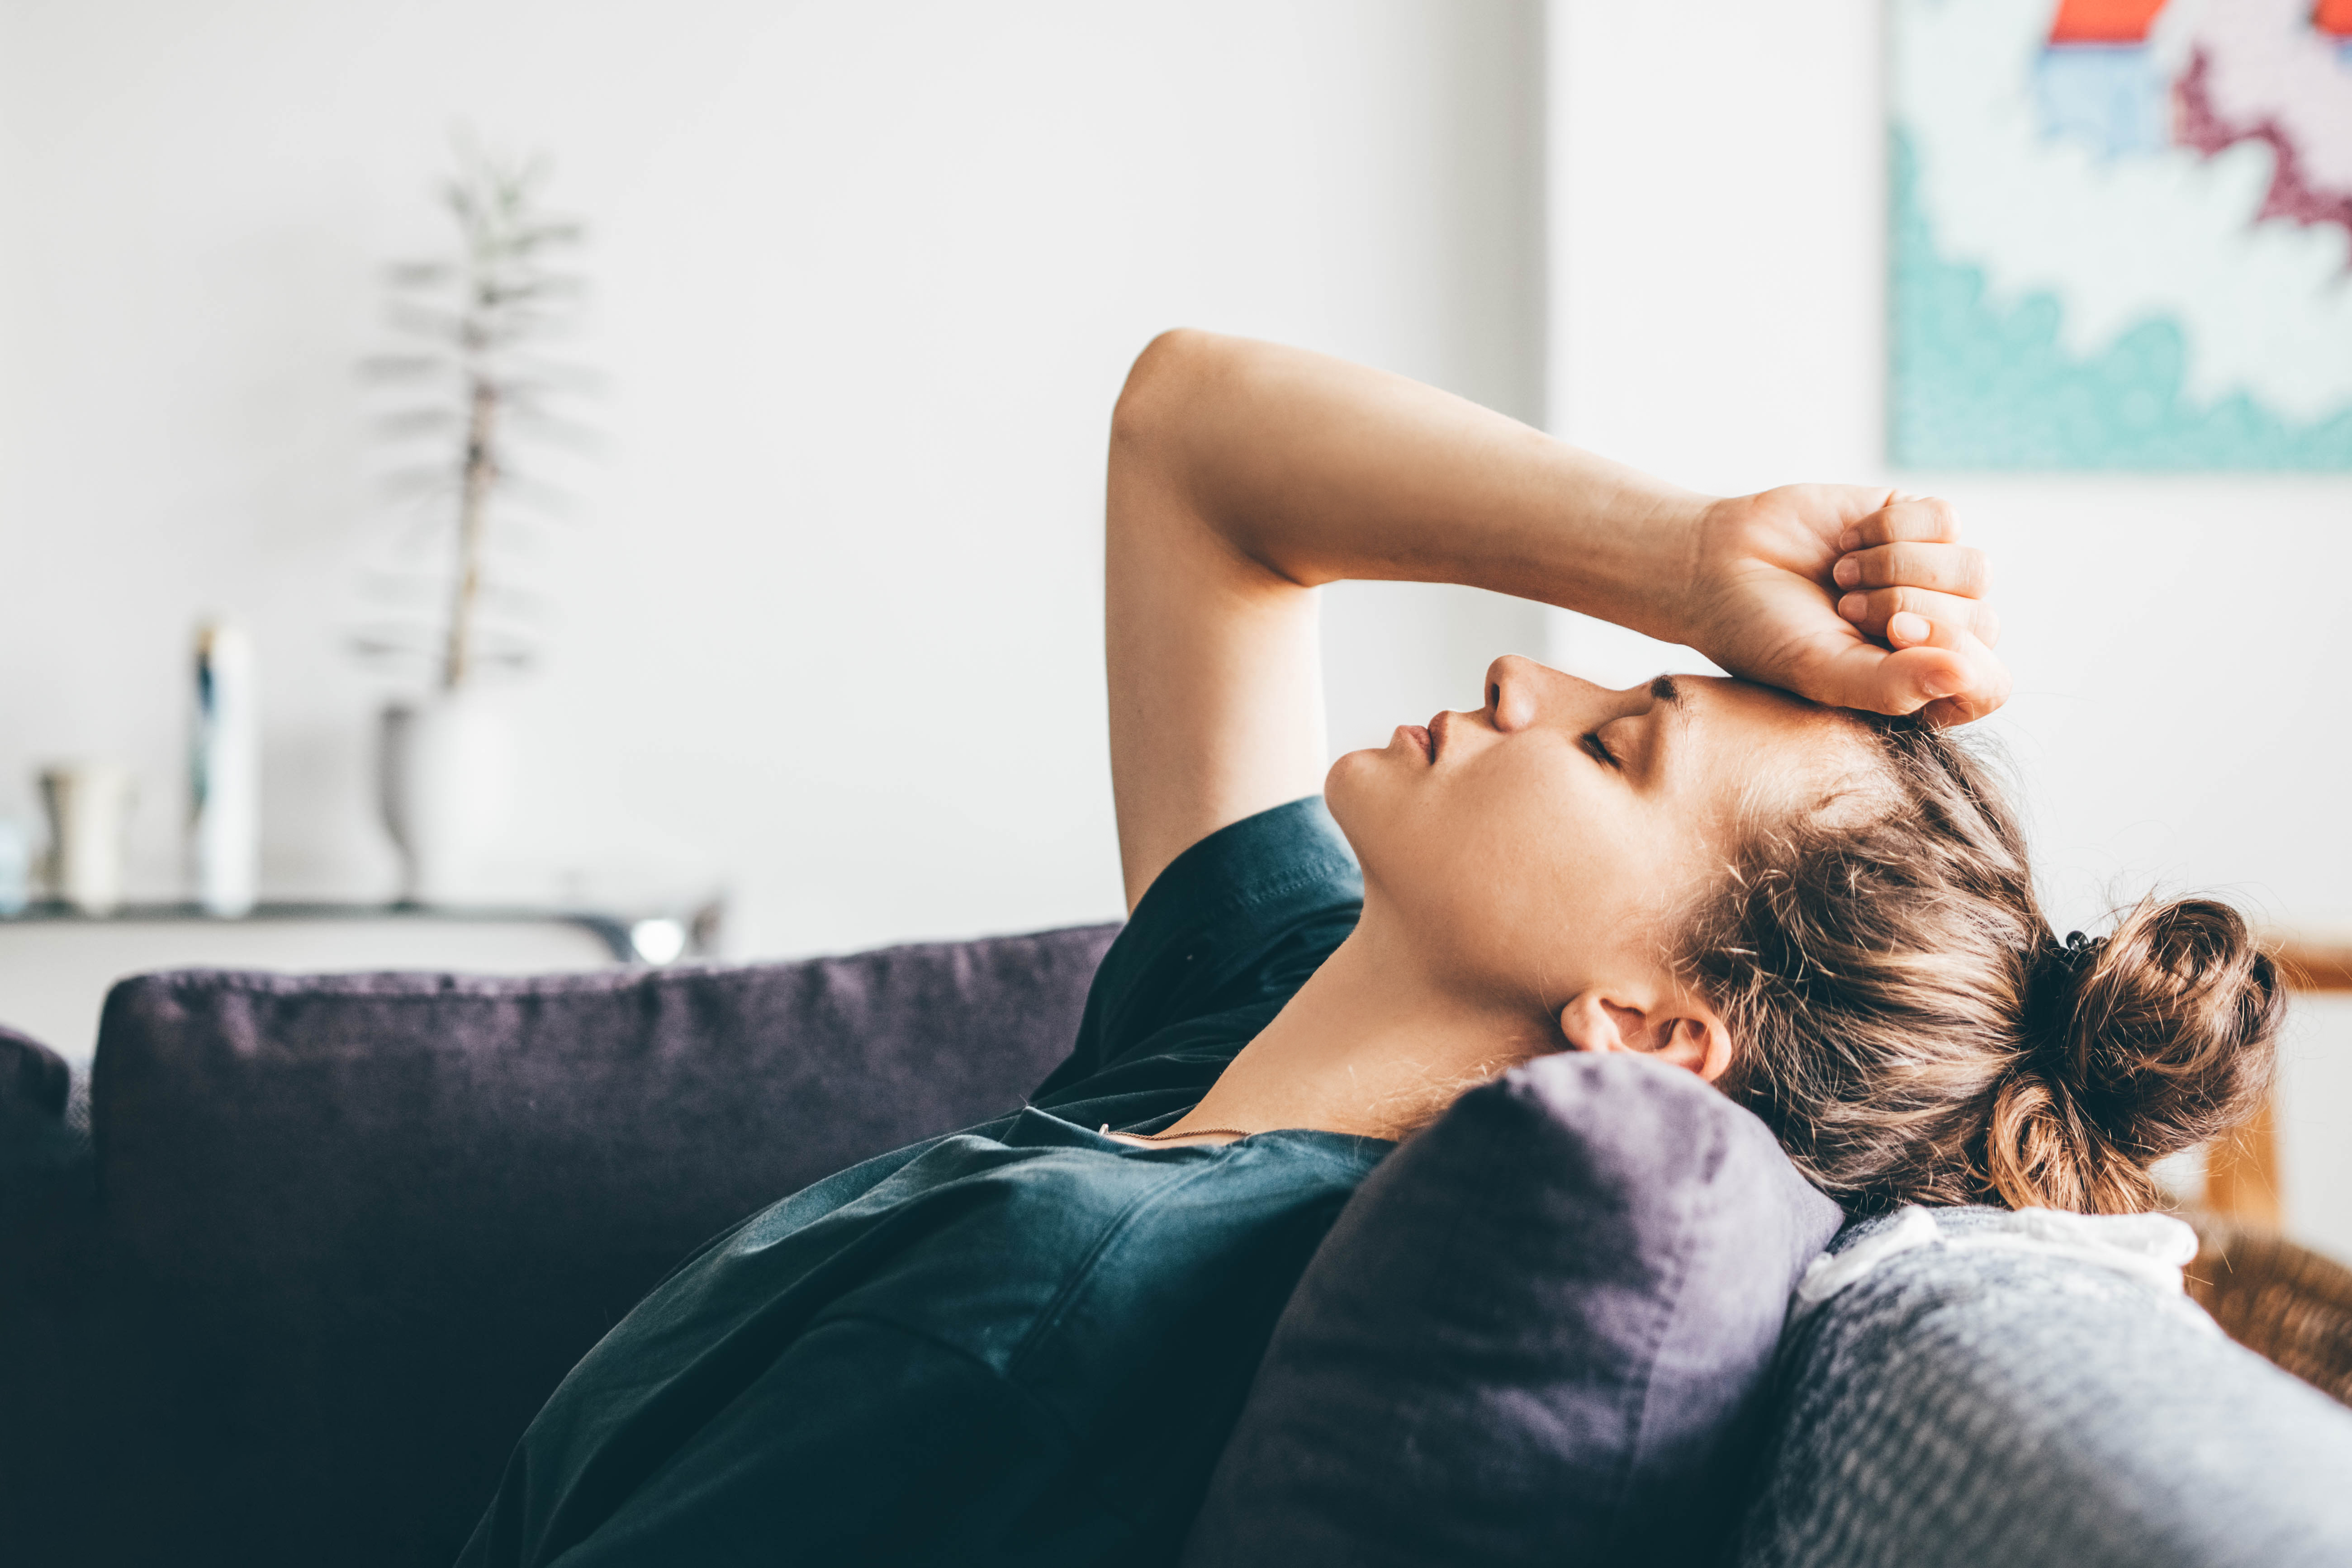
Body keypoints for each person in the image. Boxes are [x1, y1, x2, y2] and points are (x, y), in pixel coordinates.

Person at [456, 332, 2280, 1567]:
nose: (1522, 671)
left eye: (1614, 739)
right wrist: (1690, 556)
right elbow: (1193, 434)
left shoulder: (1066, 1290)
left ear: (1646, 1028)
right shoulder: (1255, 1019)